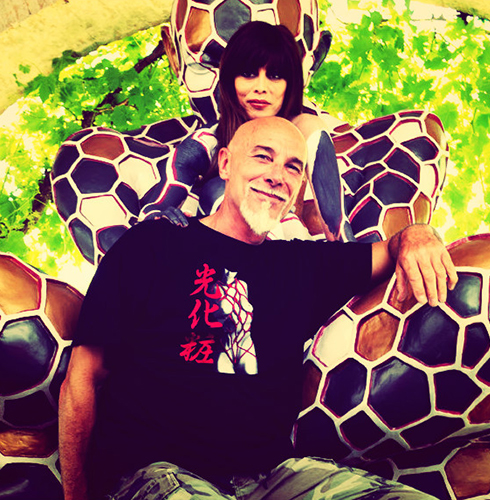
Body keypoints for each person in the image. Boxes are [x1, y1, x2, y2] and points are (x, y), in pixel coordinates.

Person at [59, 116, 457, 500]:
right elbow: (81, 379)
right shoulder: (151, 244)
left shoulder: (302, 266)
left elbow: (392, 247)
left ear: (300, 187)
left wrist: (419, 235)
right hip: (156, 475)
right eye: (263, 157)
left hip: (271, 479)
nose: (276, 175)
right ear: (226, 164)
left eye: (293, 167)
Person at [141, 21, 354, 242]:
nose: (261, 87)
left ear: (290, 84)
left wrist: (356, 260)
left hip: (286, 245)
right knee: (218, 190)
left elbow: (336, 223)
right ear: (230, 80)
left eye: (275, 75)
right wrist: (161, 221)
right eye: (248, 74)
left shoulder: (307, 130)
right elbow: (154, 212)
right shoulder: (209, 140)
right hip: (215, 252)